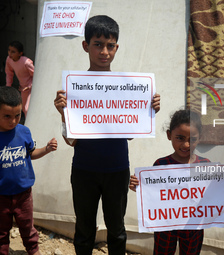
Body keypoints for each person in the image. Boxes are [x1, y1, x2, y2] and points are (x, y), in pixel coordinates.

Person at [54, 15, 160, 255]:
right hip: (84, 170)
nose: (104, 51)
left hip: (117, 170)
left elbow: (130, 134)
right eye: (97, 44)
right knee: (84, 229)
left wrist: (146, 111)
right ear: (85, 46)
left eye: (110, 45)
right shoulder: (74, 87)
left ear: (116, 48)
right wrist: (64, 114)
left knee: (117, 229)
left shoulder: (129, 87)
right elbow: (71, 140)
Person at [130, 109, 210, 255]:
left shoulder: (205, 166)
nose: (186, 145)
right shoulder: (161, 165)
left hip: (194, 225)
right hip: (165, 226)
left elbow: (213, 193)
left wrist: (223, 180)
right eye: (180, 138)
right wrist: (140, 187)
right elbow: (153, 194)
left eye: (192, 139)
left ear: (200, 138)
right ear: (169, 135)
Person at [0, 86, 58, 255]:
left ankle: (33, 250)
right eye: (7, 116)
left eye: (18, 115)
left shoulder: (24, 132)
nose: (13, 121)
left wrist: (46, 149)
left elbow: (31, 153)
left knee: (27, 226)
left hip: (24, 194)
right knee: (2, 231)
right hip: (1, 196)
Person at [5, 41, 35, 118]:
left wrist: (30, 86)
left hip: (32, 88)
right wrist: (8, 88)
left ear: (20, 53)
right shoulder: (9, 60)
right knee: (24, 109)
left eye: (13, 52)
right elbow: (9, 73)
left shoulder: (26, 63)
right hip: (23, 89)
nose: (10, 54)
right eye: (9, 50)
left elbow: (36, 76)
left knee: (28, 109)